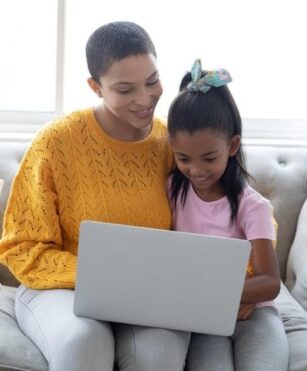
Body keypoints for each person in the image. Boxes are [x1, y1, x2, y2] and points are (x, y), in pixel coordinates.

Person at [0, 21, 191, 370]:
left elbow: (230, 211)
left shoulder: (174, 145)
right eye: (125, 89)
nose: (144, 98)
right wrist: (99, 275)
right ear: (96, 87)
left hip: (146, 294)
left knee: (159, 353)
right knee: (84, 341)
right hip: (57, 290)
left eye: (152, 82)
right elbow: (21, 246)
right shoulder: (56, 142)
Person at [167, 59, 289, 370]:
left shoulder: (253, 207)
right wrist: (215, 297)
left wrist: (225, 293)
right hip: (204, 316)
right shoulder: (171, 192)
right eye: (183, 158)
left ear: (232, 145)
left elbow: (270, 282)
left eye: (209, 158)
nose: (196, 170)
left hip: (255, 311)